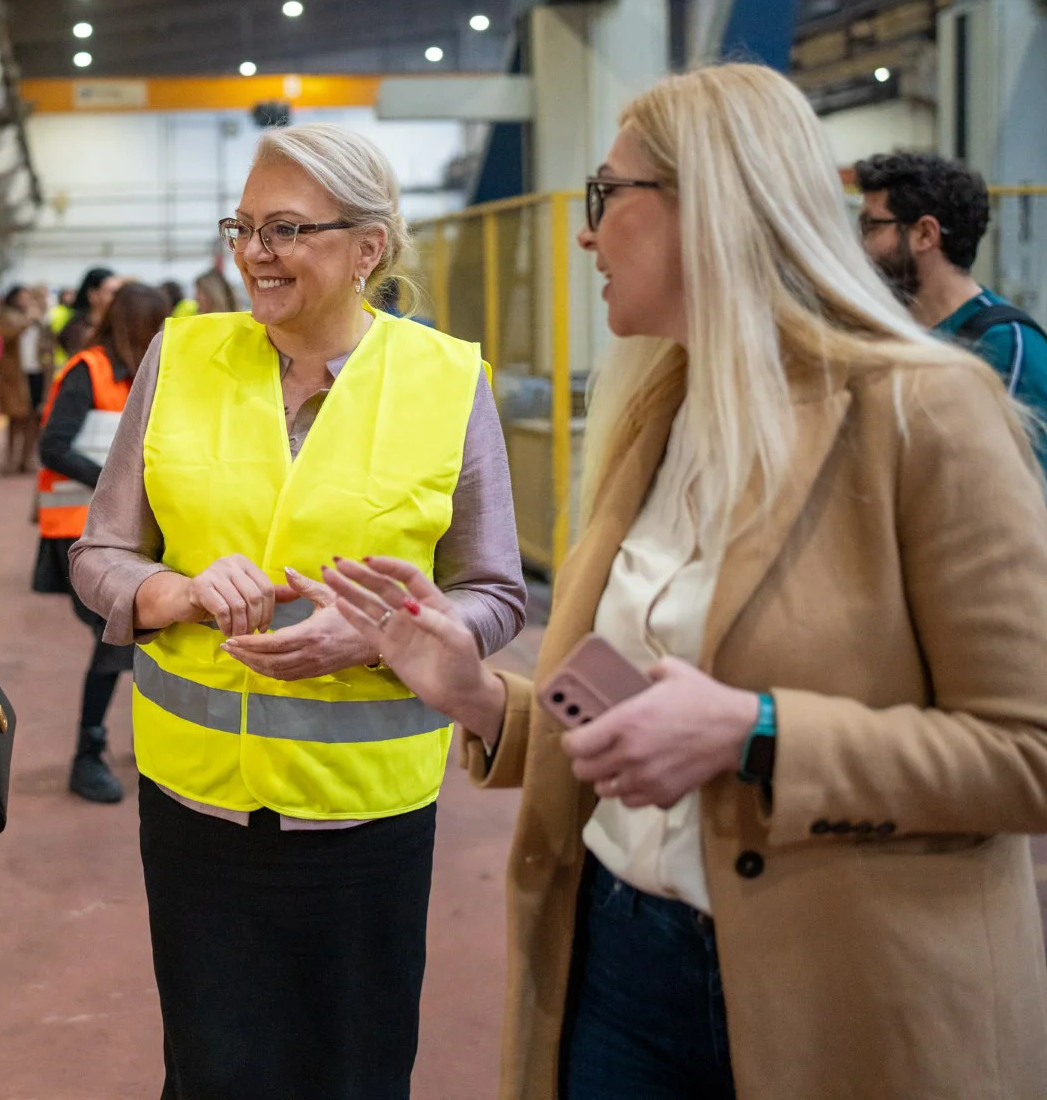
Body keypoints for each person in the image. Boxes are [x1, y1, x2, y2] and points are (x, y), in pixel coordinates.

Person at [325, 63, 1047, 1100]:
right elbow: (642, 706)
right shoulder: (660, 412)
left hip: (835, 988)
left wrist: (760, 732)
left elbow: (1027, 751)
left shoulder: (927, 412)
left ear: (712, 202)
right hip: (620, 952)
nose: (586, 236)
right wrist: (479, 696)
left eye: (605, 196)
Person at [70, 122, 526, 1099]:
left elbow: (493, 592)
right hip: (195, 806)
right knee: (210, 1071)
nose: (254, 254)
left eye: (284, 229)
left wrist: (389, 636)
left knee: (353, 1072)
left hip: (365, 815)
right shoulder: (180, 356)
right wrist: (174, 592)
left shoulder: (447, 382)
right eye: (242, 227)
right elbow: (100, 554)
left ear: (368, 248)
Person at [36, 283, 172, 803]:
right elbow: (53, 446)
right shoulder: (87, 371)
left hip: (124, 534)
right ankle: (86, 754)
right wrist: (115, 480)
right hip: (78, 532)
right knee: (115, 637)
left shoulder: (151, 375)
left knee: (131, 638)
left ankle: (131, 738)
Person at [855, 151, 1047, 471]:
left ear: (925, 234)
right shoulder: (892, 336)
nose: (859, 245)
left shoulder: (1008, 346)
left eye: (870, 227)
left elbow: (1021, 486)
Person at [0, 285, 44, 474]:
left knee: (33, 417)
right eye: (22, 296)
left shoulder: (37, 317)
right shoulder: (6, 316)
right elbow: (7, 335)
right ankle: (10, 460)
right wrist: (27, 321)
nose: (26, 300)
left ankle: (26, 459)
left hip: (36, 372)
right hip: (15, 376)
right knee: (15, 417)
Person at [57, 267, 120, 361]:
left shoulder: (118, 325)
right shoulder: (77, 329)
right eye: (111, 293)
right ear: (93, 295)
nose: (118, 297)